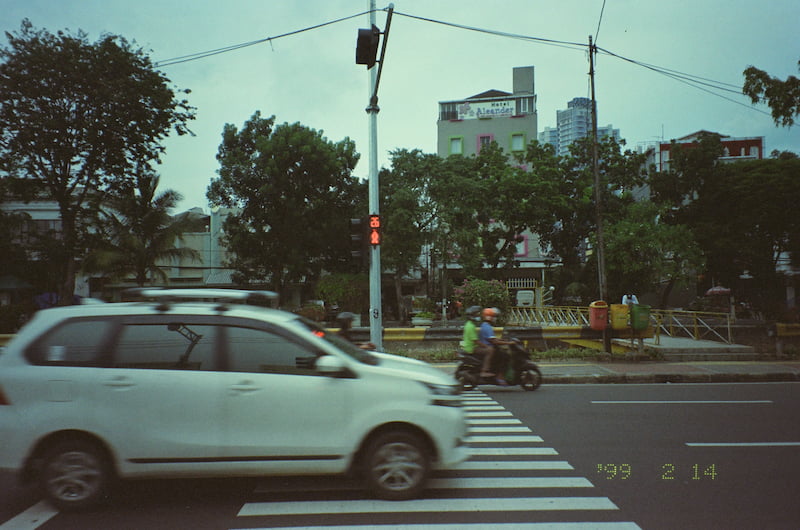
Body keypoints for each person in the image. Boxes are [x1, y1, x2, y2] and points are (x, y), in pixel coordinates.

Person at [478, 307, 513, 385]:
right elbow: (493, 341)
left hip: (490, 347)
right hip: (489, 348)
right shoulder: (487, 327)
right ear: (489, 317)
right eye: (493, 316)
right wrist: (508, 343)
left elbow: (493, 339)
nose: (495, 318)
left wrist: (503, 341)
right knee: (505, 356)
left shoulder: (485, 325)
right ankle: (499, 376)